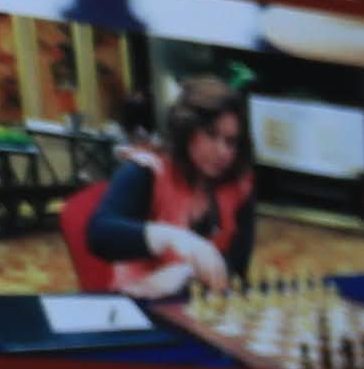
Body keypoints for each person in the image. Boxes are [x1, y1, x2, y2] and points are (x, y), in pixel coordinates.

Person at [76, 74, 253, 303]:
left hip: (205, 307)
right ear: (186, 130)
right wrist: (169, 236)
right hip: (142, 302)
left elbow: (238, 267)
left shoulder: (238, 186)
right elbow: (99, 234)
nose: (223, 152)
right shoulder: (147, 170)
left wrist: (186, 272)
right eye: (211, 135)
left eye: (231, 142)